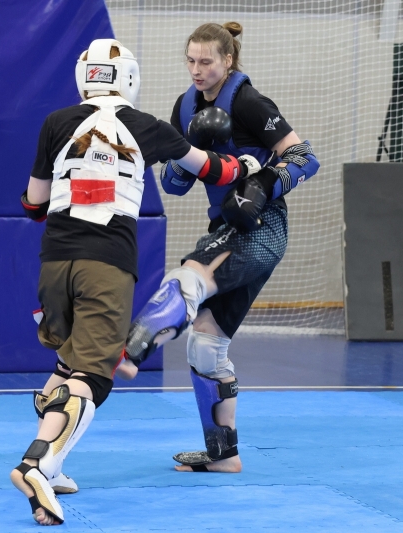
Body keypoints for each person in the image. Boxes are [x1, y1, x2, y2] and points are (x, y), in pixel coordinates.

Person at [11, 38, 260, 526]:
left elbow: (33, 203)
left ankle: (54, 466)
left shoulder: (56, 122)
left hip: (54, 262)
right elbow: (212, 170)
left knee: (68, 363)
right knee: (93, 376)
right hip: (105, 264)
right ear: (128, 78)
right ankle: (35, 464)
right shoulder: (145, 126)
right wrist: (248, 166)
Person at [124, 22, 320, 474]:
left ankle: (131, 350)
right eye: (190, 61)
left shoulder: (248, 101)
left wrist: (263, 183)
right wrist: (192, 146)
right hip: (227, 226)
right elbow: (173, 185)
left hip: (260, 224)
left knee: (189, 278)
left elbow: (304, 157)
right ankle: (223, 456)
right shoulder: (185, 106)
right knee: (206, 342)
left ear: (228, 60)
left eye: (206, 62)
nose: (197, 70)